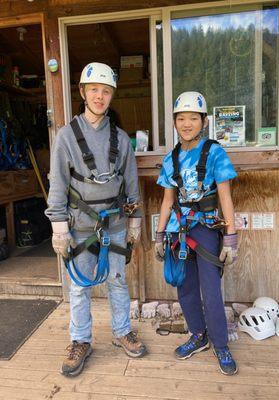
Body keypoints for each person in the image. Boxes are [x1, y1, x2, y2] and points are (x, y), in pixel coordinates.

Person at [45, 62, 147, 377]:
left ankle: (121, 331)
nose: (100, 97)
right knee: (78, 287)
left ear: (111, 95)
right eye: (94, 90)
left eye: (105, 91)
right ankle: (81, 340)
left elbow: (131, 183)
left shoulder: (119, 137)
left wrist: (135, 222)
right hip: (79, 226)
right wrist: (58, 228)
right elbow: (58, 183)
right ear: (83, 92)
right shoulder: (66, 137)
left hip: (115, 224)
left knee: (117, 281)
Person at [154, 91, 238, 375]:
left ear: (203, 121)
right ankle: (198, 336)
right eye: (181, 118)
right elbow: (167, 200)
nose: (186, 123)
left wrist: (231, 236)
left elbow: (225, 196)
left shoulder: (214, 152)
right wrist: (159, 233)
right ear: (175, 123)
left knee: (211, 288)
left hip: (205, 230)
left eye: (193, 118)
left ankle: (221, 344)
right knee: (185, 287)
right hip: (178, 231)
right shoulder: (171, 159)